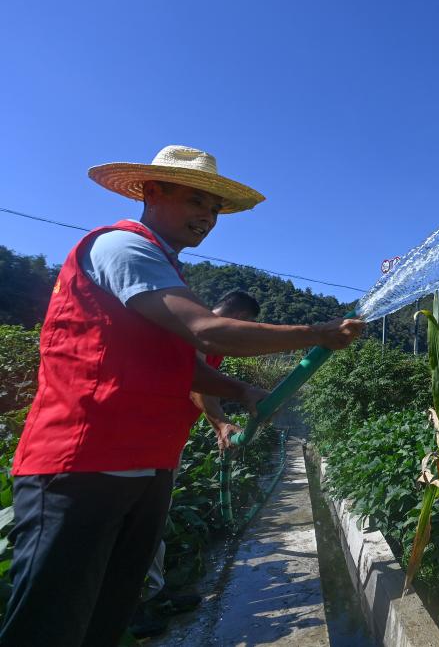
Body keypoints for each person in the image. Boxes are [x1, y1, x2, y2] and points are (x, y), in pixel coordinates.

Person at [0, 145, 364, 647]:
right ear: (152, 191)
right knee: (50, 626)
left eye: (214, 208)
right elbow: (207, 333)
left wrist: (239, 390)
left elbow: (177, 366)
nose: (208, 217)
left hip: (147, 465)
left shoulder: (163, 269)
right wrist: (317, 333)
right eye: (196, 200)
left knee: (105, 618)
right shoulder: (122, 249)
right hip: (81, 466)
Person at [129, 290, 262, 639]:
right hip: (139, 441)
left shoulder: (211, 343)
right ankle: (130, 608)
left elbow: (204, 388)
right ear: (237, 318)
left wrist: (219, 423)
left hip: (163, 443)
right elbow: (193, 381)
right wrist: (221, 422)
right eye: (245, 326)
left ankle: (154, 593)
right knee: (134, 526)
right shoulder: (195, 330)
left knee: (153, 523)